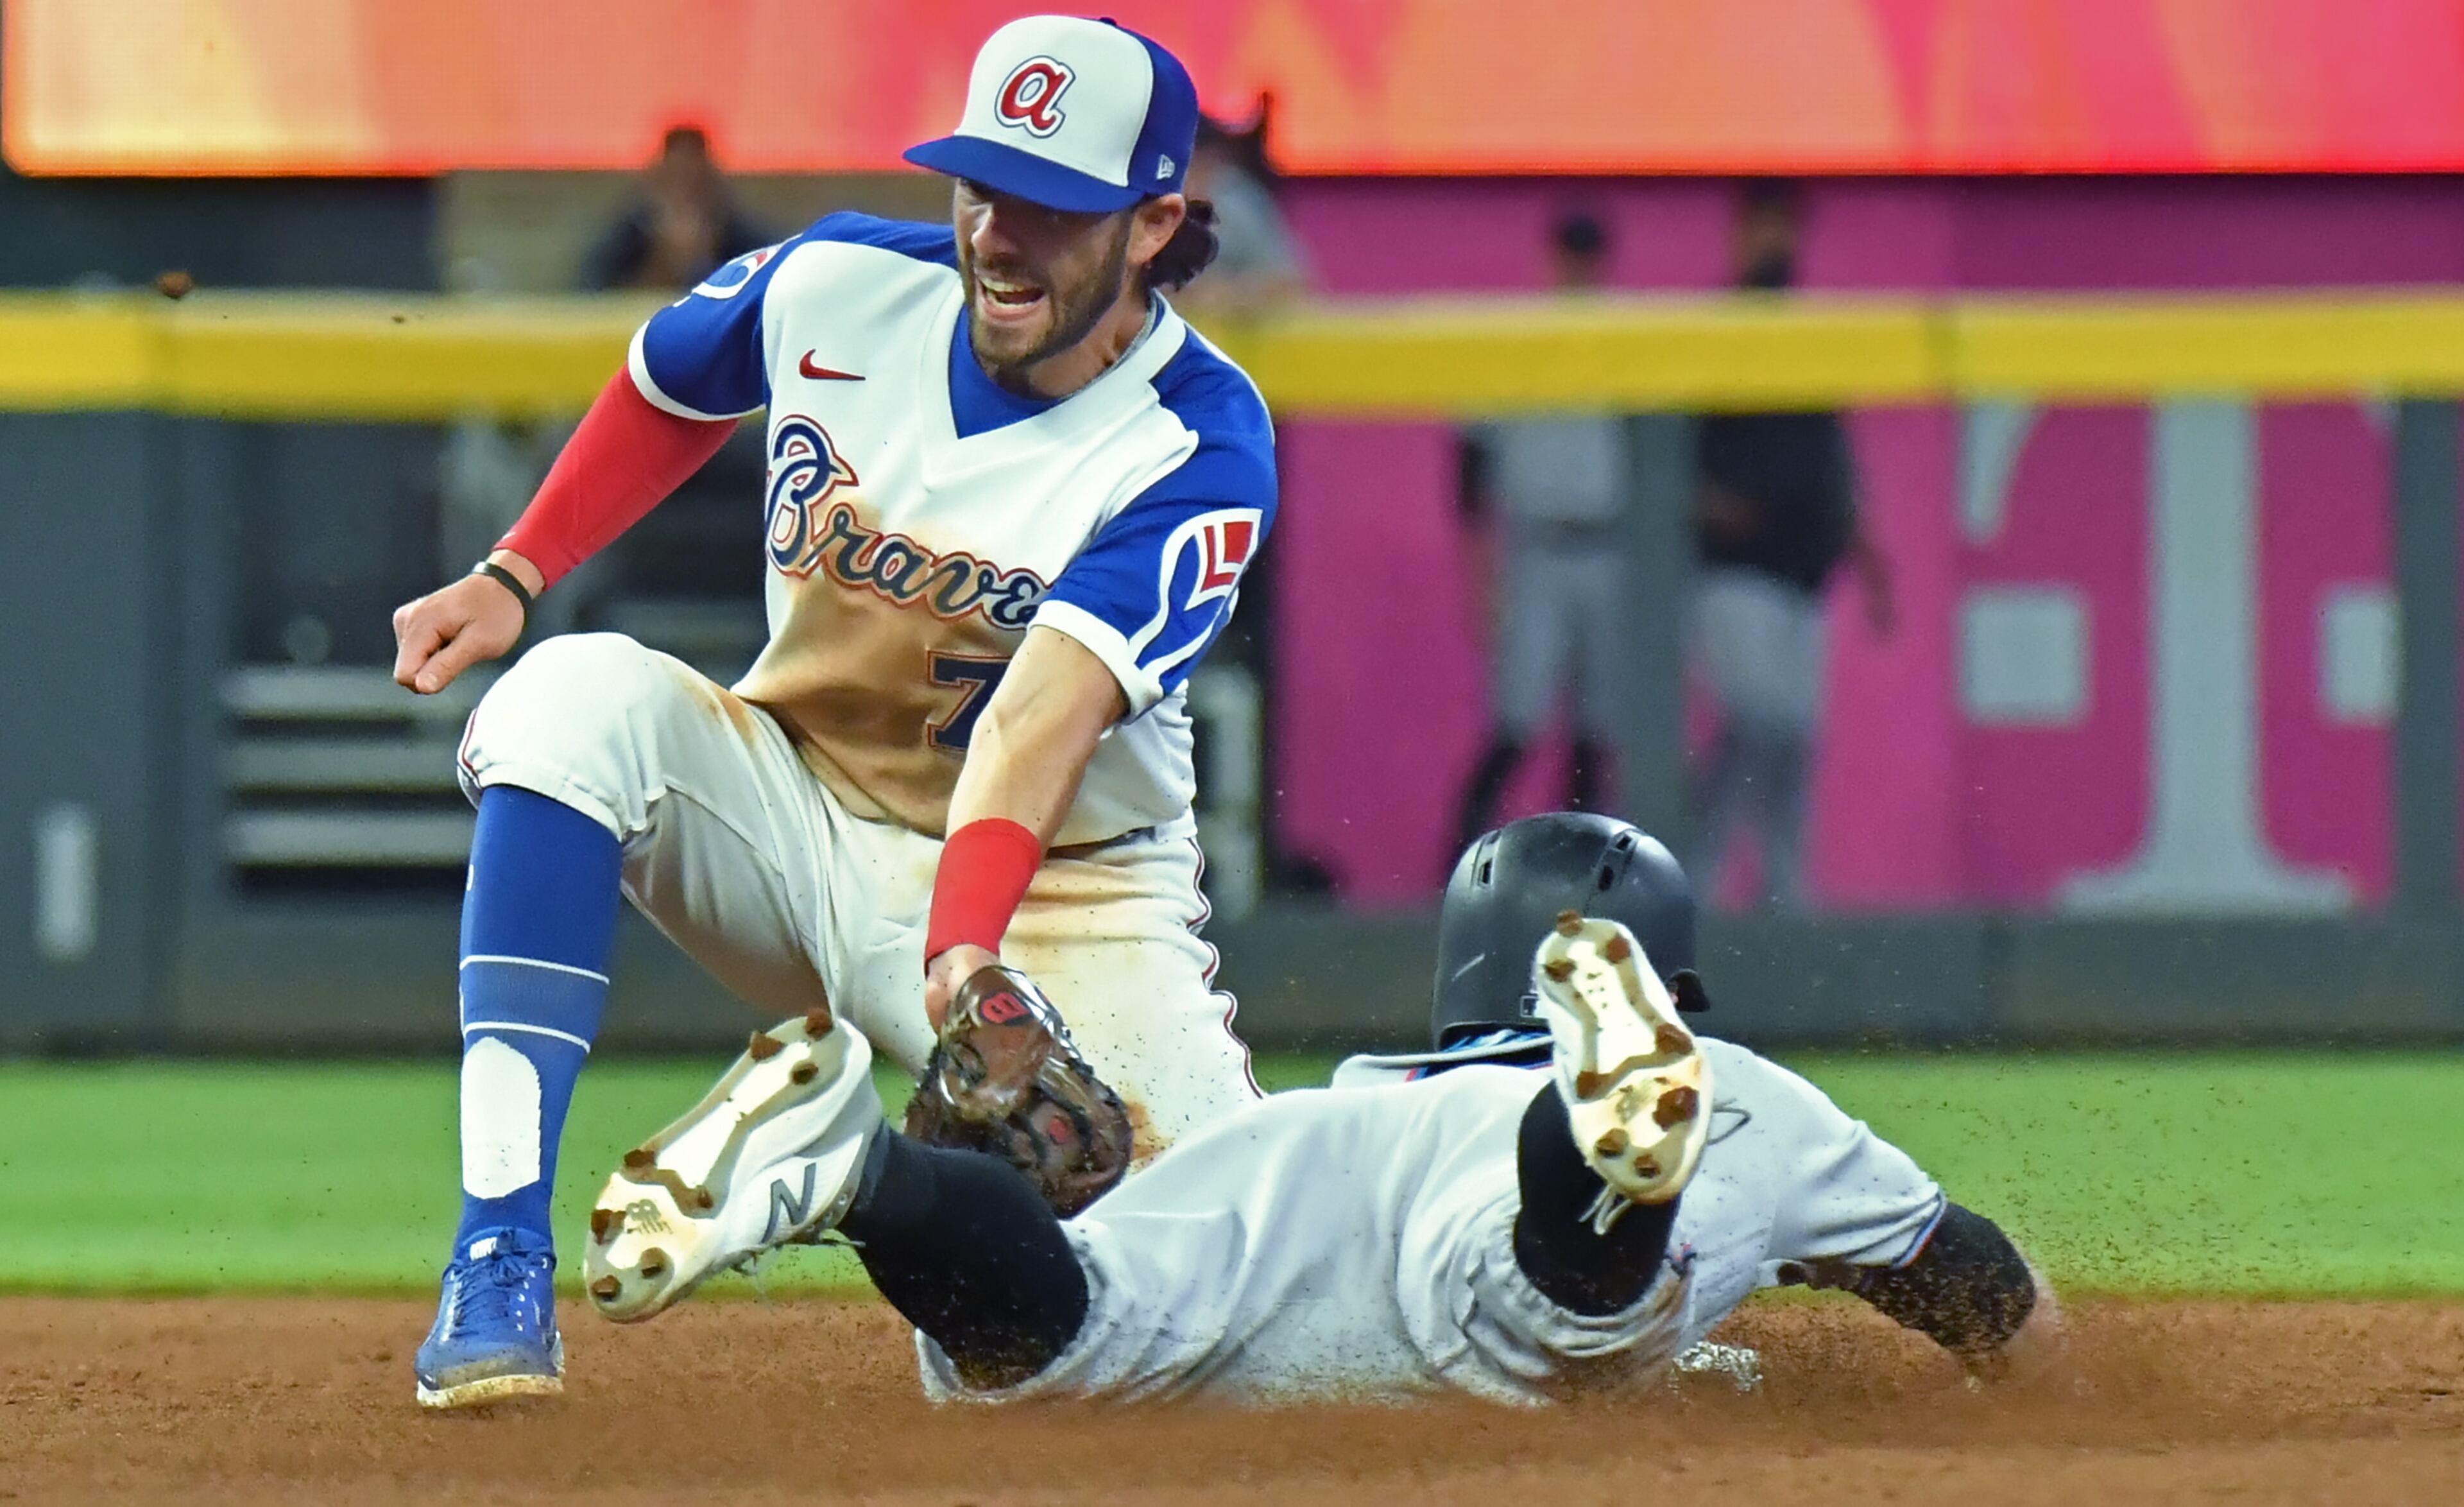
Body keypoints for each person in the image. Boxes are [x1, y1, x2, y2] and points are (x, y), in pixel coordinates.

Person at [394, 15, 1274, 1408]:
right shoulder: (844, 280)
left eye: (1050, 208)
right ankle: (495, 1248)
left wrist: (969, 951)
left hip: (1058, 904)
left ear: (1156, 219)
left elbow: (1037, 725)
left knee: (1203, 1338)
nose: (998, 233)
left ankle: (839, 1165)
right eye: (983, 187)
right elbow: (667, 383)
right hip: (795, 811)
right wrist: (520, 568)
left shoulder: (1195, 442)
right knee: (565, 696)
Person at [583, 813, 2064, 1406]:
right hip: (1498, 1196)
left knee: (1051, 1342)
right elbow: (1973, 1281)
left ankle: (861, 1173)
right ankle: (1596, 1144)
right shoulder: (1755, 1100)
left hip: (1294, 1174)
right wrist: (2053, 1396)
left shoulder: (1360, 1096)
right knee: (1554, 1314)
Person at [1688, 180, 1894, 910]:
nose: (1777, 243)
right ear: (1741, 235)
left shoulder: (1808, 335)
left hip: (1805, 569)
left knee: (1797, 737)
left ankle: (1786, 894)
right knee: (1758, 717)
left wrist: (1869, 557)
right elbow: (1670, 448)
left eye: (1787, 229)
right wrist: (1702, 504)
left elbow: (1834, 455)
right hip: (1729, 569)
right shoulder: (1710, 335)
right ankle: (1701, 874)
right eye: (1765, 227)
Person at [1451, 212, 1631, 858]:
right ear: (1552, 257)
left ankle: (1582, 872)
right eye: (1571, 255)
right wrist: (1482, 575)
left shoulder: (1627, 342)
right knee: (1516, 722)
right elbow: (1470, 472)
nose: (1580, 270)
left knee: (1596, 729)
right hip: (1536, 549)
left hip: (1610, 549)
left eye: (1590, 256)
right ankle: (1455, 865)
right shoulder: (1518, 338)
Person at [580, 125, 775, 293]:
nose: (685, 190)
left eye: (695, 181)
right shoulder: (627, 236)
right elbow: (591, 296)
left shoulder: (742, 237)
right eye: (677, 178)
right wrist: (663, 261)